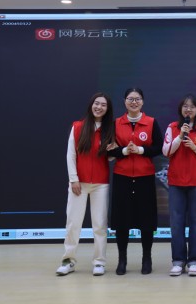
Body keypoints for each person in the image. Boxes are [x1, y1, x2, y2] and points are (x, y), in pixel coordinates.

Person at [56, 92, 115, 276]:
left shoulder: (110, 129)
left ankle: (99, 262)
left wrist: (113, 151)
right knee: (73, 223)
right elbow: (71, 155)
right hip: (78, 184)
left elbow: (110, 158)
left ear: (107, 109)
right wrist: (73, 179)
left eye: (103, 105)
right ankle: (68, 260)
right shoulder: (78, 126)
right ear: (91, 105)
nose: (99, 107)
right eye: (97, 103)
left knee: (99, 225)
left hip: (101, 184)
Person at [108, 87, 163, 275]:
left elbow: (159, 147)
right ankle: (122, 260)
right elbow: (109, 149)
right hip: (122, 176)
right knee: (121, 221)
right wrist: (124, 151)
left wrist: (140, 150)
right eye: (130, 99)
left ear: (143, 101)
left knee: (146, 221)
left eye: (137, 99)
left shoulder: (151, 122)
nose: (134, 102)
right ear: (124, 101)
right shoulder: (116, 123)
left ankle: (146, 259)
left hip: (144, 177)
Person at [162, 94, 196, 277]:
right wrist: (180, 137)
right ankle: (178, 261)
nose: (188, 109)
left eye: (192, 107)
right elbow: (166, 151)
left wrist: (194, 147)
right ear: (181, 109)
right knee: (176, 223)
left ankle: (194, 261)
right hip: (176, 182)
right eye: (185, 106)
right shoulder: (172, 127)